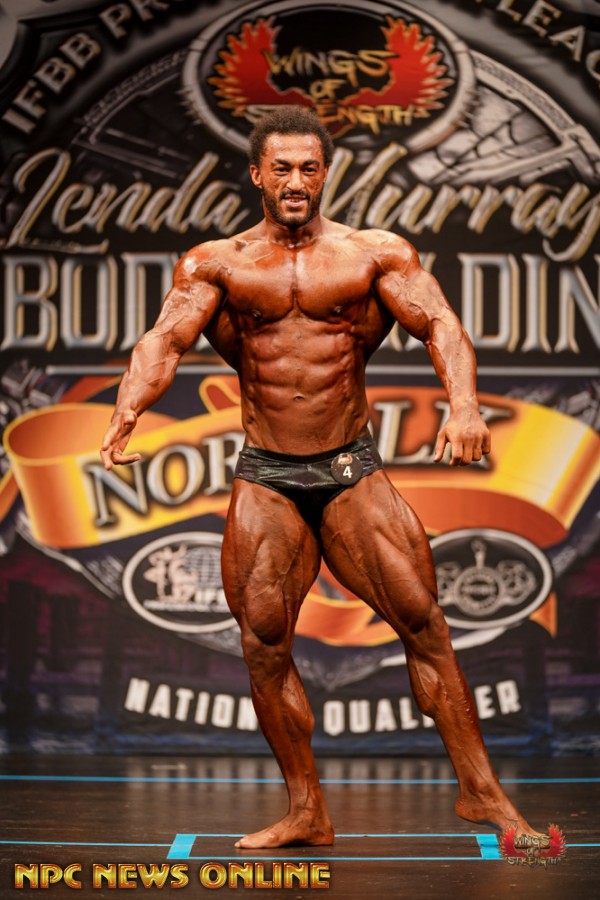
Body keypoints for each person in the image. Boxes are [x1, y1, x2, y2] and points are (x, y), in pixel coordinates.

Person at [101, 106, 539, 849]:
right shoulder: (219, 263)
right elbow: (165, 340)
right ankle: (307, 809)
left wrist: (465, 406)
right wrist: (127, 409)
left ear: (326, 173)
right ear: (257, 174)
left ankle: (482, 794)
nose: (296, 180)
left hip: (349, 470)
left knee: (425, 625)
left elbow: (441, 324)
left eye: (309, 167)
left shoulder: (373, 254)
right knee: (265, 645)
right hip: (268, 476)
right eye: (282, 168)